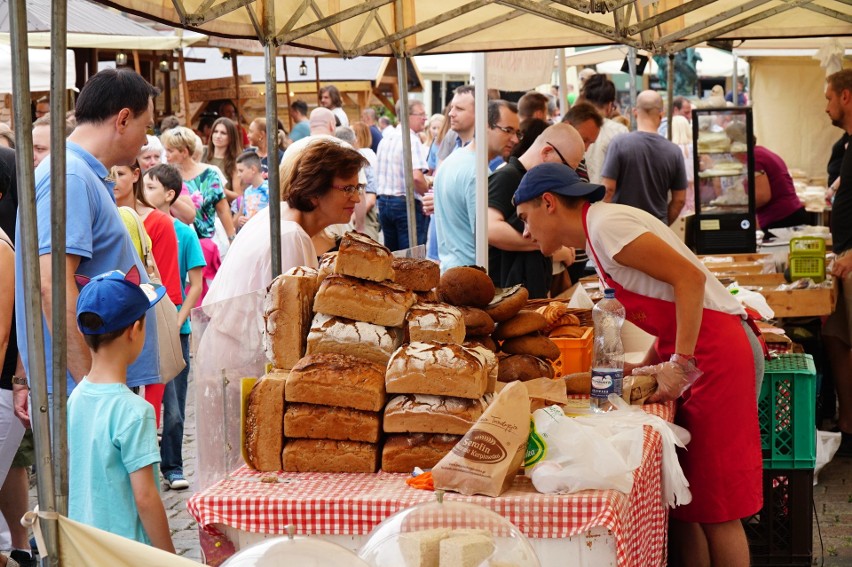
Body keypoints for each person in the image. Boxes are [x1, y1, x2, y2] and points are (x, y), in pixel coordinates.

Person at [514, 162, 763, 567]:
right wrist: (647, 365)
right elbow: (664, 301)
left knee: (719, 509)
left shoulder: (607, 227)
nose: (526, 232)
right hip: (702, 353)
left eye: (526, 219)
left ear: (549, 203)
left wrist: (680, 363)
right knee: (688, 504)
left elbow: (690, 281)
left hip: (720, 354)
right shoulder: (598, 237)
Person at [14, 68, 162, 410]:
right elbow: (51, 285)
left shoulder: (76, 173)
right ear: (123, 119)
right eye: (146, 126)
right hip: (82, 390)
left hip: (85, 385)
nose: (145, 139)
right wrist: (94, 390)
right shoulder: (70, 175)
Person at [69, 268, 175, 552]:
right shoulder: (135, 411)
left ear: (82, 329)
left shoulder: (76, 397)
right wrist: (170, 557)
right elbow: (145, 497)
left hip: (86, 547)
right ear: (135, 330)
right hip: (125, 551)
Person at [204, 140, 367, 304]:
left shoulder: (277, 214)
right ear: (315, 191)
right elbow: (290, 316)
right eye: (348, 189)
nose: (356, 198)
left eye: (357, 188)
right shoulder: (290, 236)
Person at [143, 164, 205, 491]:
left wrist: (178, 320)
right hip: (142, 326)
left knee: (175, 407)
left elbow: (195, 283)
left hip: (175, 329)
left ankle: (173, 465)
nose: (145, 192)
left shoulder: (184, 232)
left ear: (169, 194)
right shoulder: (136, 226)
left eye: (151, 187)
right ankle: (144, 466)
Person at [112, 160, 182, 428]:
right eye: (110, 174)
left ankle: (169, 462)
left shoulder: (157, 221)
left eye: (120, 173)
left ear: (135, 176)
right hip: (119, 322)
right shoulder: (111, 215)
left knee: (165, 407)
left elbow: (163, 282)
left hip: (148, 317)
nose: (114, 180)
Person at [488, 123, 584, 298]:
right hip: (505, 295)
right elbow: (490, 230)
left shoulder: (530, 181)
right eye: (567, 167)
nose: (567, 175)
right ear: (547, 152)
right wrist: (548, 244)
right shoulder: (507, 176)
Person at [433, 100, 519, 270]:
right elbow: (488, 233)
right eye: (508, 130)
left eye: (517, 132)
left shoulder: (453, 161)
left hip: (454, 270)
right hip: (471, 277)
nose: (515, 139)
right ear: (485, 126)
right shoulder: (477, 172)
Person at [161, 126, 236, 303]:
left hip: (211, 241)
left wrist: (232, 237)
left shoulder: (209, 173)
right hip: (179, 241)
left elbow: (222, 208)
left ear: (184, 152)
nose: (167, 155)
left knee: (213, 292)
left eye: (170, 151)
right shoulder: (168, 176)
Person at [601, 90, 687, 225]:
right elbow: (680, 200)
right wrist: (663, 225)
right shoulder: (674, 151)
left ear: (635, 112)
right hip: (656, 228)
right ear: (661, 114)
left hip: (623, 227)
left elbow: (608, 189)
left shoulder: (618, 143)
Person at [823, 69, 852, 457]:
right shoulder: (845, 145)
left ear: (846, 96)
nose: (825, 106)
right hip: (844, 258)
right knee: (835, 335)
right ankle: (847, 421)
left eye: (828, 97)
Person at [374, 99, 431, 251]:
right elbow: (417, 178)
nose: (425, 118)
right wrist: (428, 196)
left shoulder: (386, 139)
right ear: (407, 116)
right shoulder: (411, 139)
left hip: (384, 203)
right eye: (421, 114)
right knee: (412, 260)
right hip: (405, 205)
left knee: (393, 258)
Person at [577, 74, 628, 184]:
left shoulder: (573, 126)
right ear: (610, 105)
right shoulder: (620, 131)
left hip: (577, 196)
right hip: (607, 197)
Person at [205, 117, 244, 202]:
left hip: (223, 208)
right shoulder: (202, 153)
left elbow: (239, 196)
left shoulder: (236, 162)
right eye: (215, 132)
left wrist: (218, 189)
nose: (218, 136)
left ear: (231, 137)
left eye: (223, 133)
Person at [562, 102, 603, 182]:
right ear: (566, 127)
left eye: (590, 143)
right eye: (583, 140)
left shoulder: (580, 162)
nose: (585, 149)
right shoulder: (547, 162)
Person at [231, 151, 269, 231]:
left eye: (241, 171)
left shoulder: (269, 189)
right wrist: (241, 220)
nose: (238, 175)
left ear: (253, 169)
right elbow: (245, 214)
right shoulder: (247, 191)